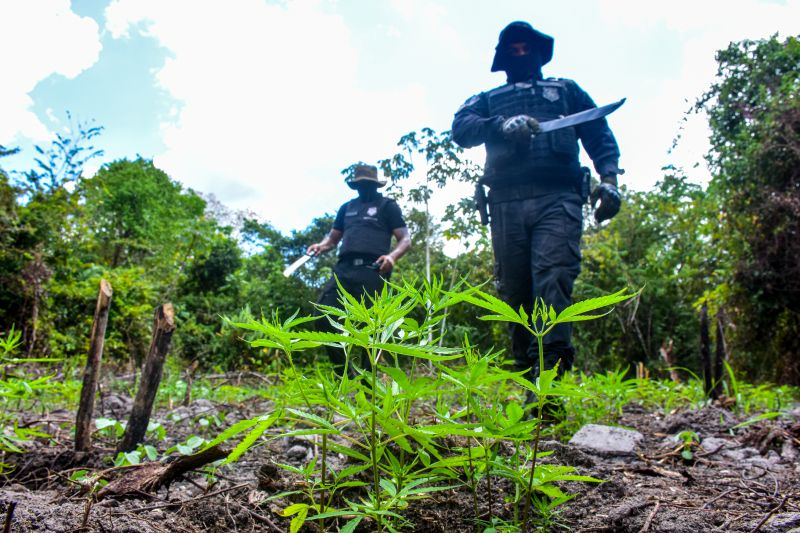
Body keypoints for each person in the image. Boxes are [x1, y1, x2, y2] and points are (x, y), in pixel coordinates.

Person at [451, 21, 623, 385]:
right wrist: (499, 125)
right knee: (515, 294)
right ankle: (528, 379)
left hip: (558, 199)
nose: (519, 53)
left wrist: (610, 181)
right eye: (512, 48)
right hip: (505, 204)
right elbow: (460, 130)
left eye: (524, 46)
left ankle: (547, 389)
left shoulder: (566, 92)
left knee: (553, 280)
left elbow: (599, 135)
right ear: (503, 56)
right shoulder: (486, 100)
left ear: (537, 50)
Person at [307, 164, 411, 373]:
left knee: (371, 326)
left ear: (375, 185)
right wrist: (321, 245)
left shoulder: (387, 206)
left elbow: (405, 239)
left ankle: (367, 377)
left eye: (368, 184)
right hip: (344, 269)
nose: (364, 188)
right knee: (322, 314)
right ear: (355, 186)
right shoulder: (347, 208)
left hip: (373, 271)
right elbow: (333, 238)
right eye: (360, 185)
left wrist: (392, 257)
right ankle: (344, 370)